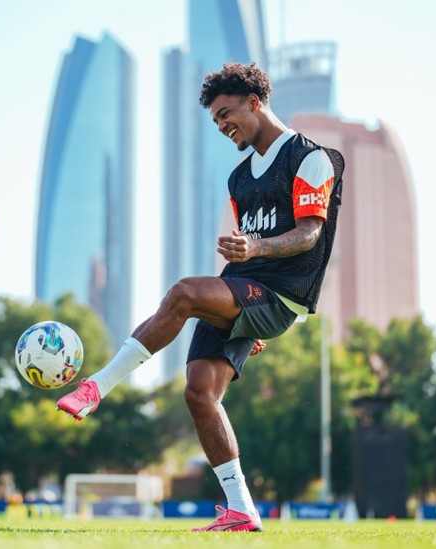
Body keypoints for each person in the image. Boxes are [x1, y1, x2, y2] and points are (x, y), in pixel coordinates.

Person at [57, 62, 343, 532]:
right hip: (246, 294)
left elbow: (310, 234)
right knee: (198, 393)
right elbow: (246, 260)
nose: (222, 125)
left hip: (281, 296)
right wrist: (236, 311)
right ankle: (241, 509)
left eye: (226, 113)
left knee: (184, 293)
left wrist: (256, 251)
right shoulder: (238, 181)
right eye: (215, 120)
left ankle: (96, 387)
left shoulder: (311, 157)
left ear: (255, 102)